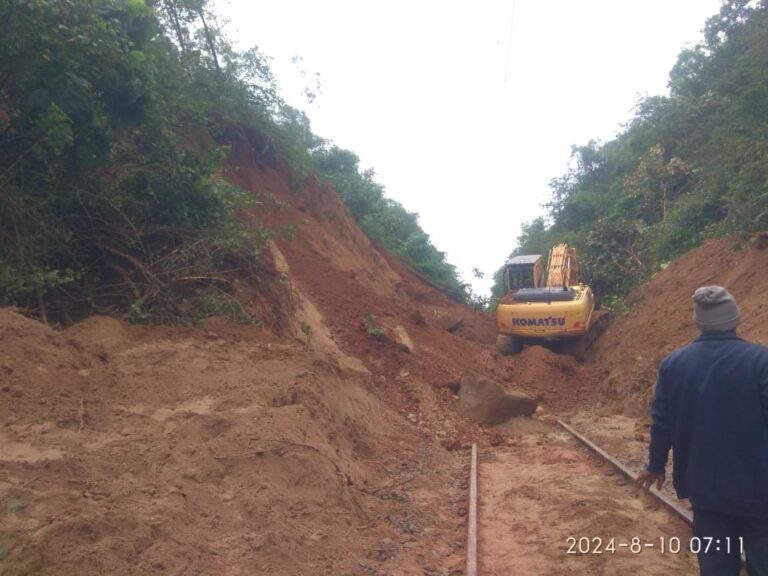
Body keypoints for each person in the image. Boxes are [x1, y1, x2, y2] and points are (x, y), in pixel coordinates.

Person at [636, 285, 768, 576]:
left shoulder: (674, 365)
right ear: (736, 318)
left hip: (705, 491)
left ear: (698, 322)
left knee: (717, 567)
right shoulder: (761, 362)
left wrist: (655, 466)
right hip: (760, 491)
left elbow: (662, 423)